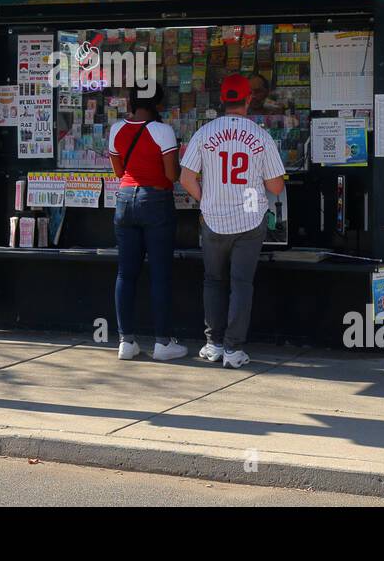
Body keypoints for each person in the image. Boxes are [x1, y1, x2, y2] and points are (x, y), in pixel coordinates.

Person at [179, 73, 285, 368]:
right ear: (248, 99)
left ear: (223, 100)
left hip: (213, 220)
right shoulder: (261, 136)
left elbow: (186, 178)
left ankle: (213, 344)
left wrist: (206, 199)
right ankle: (233, 350)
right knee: (241, 284)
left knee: (213, 281)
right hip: (250, 220)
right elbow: (276, 186)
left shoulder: (204, 133)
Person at [108, 83, 185, 361]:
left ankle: (125, 341)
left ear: (131, 102)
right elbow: (171, 176)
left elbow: (119, 171)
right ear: (158, 104)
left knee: (125, 274)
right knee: (160, 274)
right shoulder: (162, 131)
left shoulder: (116, 130)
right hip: (155, 202)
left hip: (124, 200)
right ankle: (163, 342)